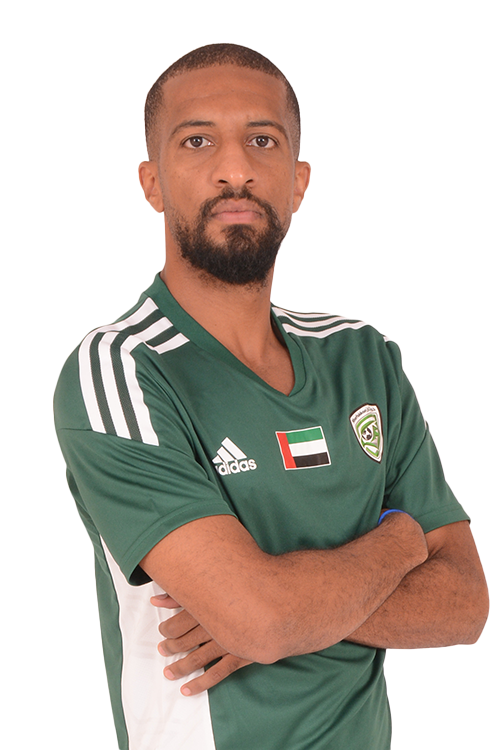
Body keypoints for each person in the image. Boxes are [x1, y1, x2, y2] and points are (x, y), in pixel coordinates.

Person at [53, 42, 489, 750]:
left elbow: (465, 605)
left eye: (263, 140)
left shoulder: (363, 356)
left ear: (298, 181)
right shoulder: (120, 368)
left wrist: (285, 612)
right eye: (197, 141)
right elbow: (261, 619)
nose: (235, 169)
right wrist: (401, 541)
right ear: (151, 182)